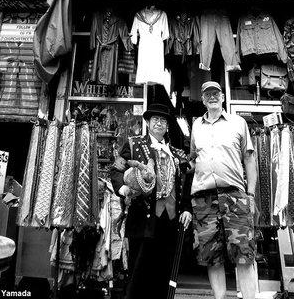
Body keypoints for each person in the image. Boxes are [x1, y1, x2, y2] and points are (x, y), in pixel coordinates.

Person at [110, 103, 192, 299]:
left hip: (170, 222)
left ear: (168, 126)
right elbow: (116, 169)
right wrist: (124, 189)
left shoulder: (177, 153)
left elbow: (187, 181)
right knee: (139, 273)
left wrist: (187, 208)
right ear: (148, 122)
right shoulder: (134, 144)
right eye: (155, 119)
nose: (159, 123)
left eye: (163, 120)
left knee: (163, 274)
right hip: (143, 220)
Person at [190, 81, 257, 299]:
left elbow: (249, 158)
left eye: (216, 93)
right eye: (207, 93)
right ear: (202, 99)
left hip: (235, 197)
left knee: (243, 254)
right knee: (211, 256)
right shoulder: (196, 126)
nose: (212, 97)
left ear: (223, 97)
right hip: (203, 199)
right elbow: (193, 159)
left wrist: (251, 194)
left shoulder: (238, 123)